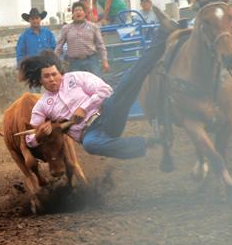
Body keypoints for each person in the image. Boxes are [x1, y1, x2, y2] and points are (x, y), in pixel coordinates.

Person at [19, 10, 180, 159]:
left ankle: (163, 34)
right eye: (46, 76)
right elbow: (29, 138)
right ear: (41, 80)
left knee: (130, 78)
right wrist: (39, 135)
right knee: (90, 145)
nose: (52, 79)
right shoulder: (42, 106)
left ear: (60, 73)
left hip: (108, 113)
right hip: (89, 133)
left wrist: (84, 107)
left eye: (54, 74)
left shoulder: (76, 77)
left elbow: (105, 90)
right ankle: (148, 142)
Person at [55, 1, 109, 77]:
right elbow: (59, 47)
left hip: (91, 62)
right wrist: (54, 63)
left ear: (85, 13)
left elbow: (100, 45)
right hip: (74, 63)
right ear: (72, 14)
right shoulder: (66, 28)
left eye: (80, 10)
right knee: (76, 86)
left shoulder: (93, 27)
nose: (78, 12)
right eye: (76, 10)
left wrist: (104, 61)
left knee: (95, 85)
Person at [16, 8, 56, 92]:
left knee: (51, 90)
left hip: (47, 66)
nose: (35, 21)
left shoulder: (47, 33)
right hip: (32, 68)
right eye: (32, 19)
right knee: (35, 93)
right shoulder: (24, 36)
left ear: (40, 19)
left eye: (37, 18)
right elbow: (20, 53)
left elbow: (54, 47)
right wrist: (21, 69)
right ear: (29, 20)